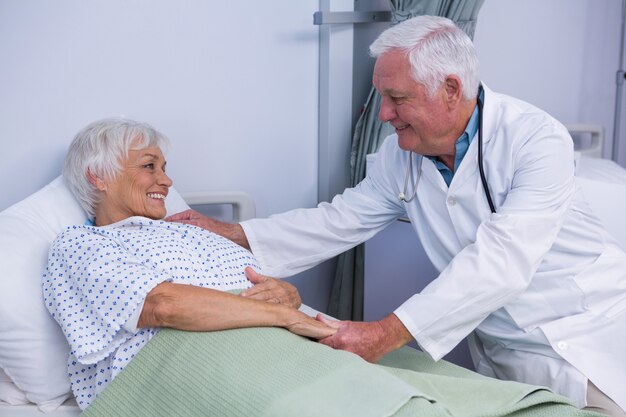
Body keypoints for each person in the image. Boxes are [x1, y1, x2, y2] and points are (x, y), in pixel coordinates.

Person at [167, 15, 626, 417]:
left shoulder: (535, 140)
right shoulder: (399, 154)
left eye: (397, 98)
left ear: (450, 89)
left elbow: (502, 260)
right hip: (509, 351)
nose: (384, 113)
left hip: (590, 330)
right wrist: (232, 233)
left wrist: (385, 334)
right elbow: (338, 220)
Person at [42, 118, 336, 410]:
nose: (167, 181)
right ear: (98, 176)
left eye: (164, 169)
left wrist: (289, 296)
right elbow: (163, 305)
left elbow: (264, 289)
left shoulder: (191, 231)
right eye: (149, 166)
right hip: (191, 362)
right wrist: (283, 316)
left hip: (280, 349)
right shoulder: (81, 243)